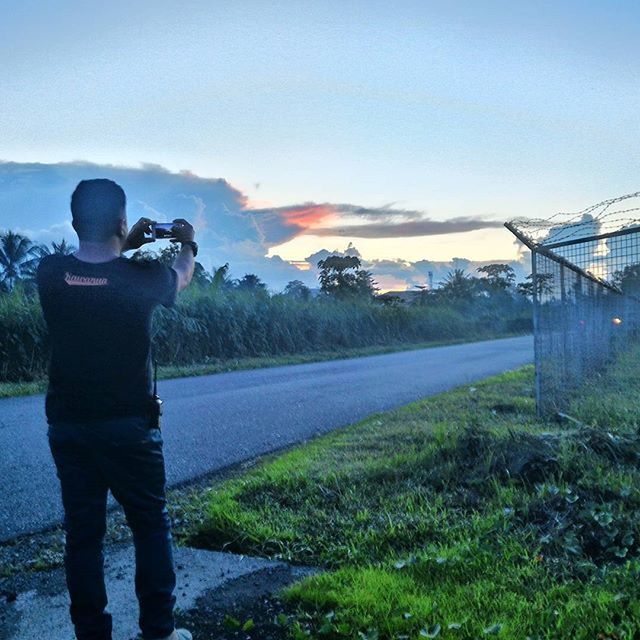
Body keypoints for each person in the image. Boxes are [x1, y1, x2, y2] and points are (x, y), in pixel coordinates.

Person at [36, 178, 197, 640]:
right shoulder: (141, 280)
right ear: (123, 222)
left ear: (73, 222)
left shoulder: (51, 274)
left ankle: (91, 633)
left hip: (68, 426)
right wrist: (187, 244)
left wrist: (126, 240)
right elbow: (180, 276)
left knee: (83, 536)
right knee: (149, 525)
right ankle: (158, 631)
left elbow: (94, 270)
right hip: (130, 428)